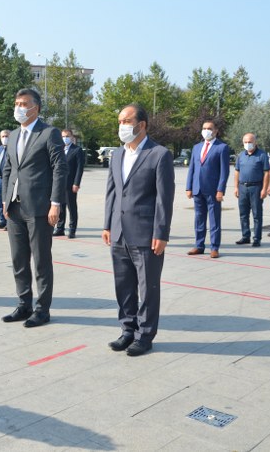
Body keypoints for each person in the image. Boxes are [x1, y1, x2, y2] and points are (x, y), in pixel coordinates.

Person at [102, 104, 175, 357]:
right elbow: (112, 192)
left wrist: (161, 233)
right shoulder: (117, 155)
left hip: (146, 234)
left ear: (141, 124)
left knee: (147, 288)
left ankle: (145, 335)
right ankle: (127, 330)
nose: (121, 126)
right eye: (120, 121)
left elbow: (164, 199)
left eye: (127, 120)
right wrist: (107, 225)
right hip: (119, 232)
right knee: (123, 285)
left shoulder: (159, 154)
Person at [1, 88, 67, 328]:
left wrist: (55, 203)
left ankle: (42, 310)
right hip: (15, 209)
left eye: (24, 103)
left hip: (40, 208)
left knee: (41, 261)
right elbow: (8, 169)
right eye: (17, 102)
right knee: (18, 260)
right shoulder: (14, 135)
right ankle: (23, 304)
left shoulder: (49, 133)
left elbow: (60, 169)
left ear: (36, 107)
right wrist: (5, 201)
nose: (19, 107)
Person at [186, 119, 230, 258]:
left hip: (213, 190)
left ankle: (214, 247)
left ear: (216, 131)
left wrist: (220, 189)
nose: (206, 131)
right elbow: (192, 168)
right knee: (199, 218)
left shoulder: (222, 147)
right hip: (197, 188)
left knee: (214, 219)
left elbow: (224, 171)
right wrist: (189, 187)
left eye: (209, 128)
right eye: (204, 128)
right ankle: (199, 246)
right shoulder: (196, 147)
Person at [233, 133, 270, 247]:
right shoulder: (240, 155)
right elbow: (237, 172)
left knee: (257, 214)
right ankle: (245, 236)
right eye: (245, 142)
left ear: (255, 142)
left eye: (250, 142)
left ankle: (257, 238)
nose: (248, 144)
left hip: (256, 187)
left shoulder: (262, 155)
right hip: (242, 187)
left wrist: (264, 189)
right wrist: (236, 187)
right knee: (243, 214)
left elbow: (266, 173)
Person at [54, 129, 85, 239]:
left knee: (71, 208)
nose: (65, 138)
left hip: (70, 184)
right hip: (59, 184)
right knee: (60, 207)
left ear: (72, 137)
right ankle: (60, 228)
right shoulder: (59, 149)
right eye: (63, 136)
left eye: (67, 136)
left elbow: (79, 169)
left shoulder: (77, 150)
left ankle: (72, 229)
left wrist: (76, 183)